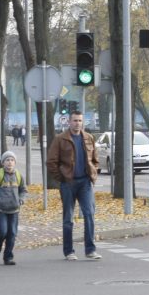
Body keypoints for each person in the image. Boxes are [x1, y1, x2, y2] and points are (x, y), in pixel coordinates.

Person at [46, 110, 102, 261]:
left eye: (80, 121)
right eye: (75, 120)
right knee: (68, 218)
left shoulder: (89, 138)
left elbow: (95, 160)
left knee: (89, 214)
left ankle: (90, 250)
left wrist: (93, 173)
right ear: (69, 122)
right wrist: (62, 178)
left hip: (85, 182)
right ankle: (69, 251)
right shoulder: (60, 139)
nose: (77, 123)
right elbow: (51, 162)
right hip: (68, 183)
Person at [0, 150, 27, 265]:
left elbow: (23, 190)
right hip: (1, 209)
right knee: (3, 231)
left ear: (15, 162)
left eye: (12, 160)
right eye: (7, 160)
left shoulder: (18, 175)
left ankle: (8, 257)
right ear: (3, 163)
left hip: (14, 209)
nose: (10, 162)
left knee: (12, 233)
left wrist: (22, 198)